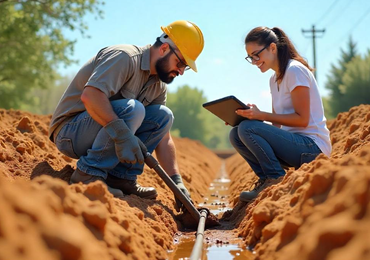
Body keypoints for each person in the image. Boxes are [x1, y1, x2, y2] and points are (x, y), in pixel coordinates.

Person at [48, 20, 204, 211]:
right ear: (164, 48)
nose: (181, 71)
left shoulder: (158, 86)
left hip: (97, 133)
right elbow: (90, 97)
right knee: (134, 108)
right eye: (180, 62)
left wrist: (176, 182)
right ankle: (88, 174)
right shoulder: (124, 57)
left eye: (185, 67)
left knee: (163, 116)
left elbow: (164, 137)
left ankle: (121, 177)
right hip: (70, 132)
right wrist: (122, 134)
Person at [229, 26, 331, 202]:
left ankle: (275, 178)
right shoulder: (274, 78)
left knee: (247, 128)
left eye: (256, 55)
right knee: (236, 133)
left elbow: (303, 120)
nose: (254, 61)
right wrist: (246, 116)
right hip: (294, 146)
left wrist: (260, 116)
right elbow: (277, 127)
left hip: (312, 148)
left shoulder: (294, 70)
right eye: (250, 57)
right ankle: (266, 180)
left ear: (272, 48)